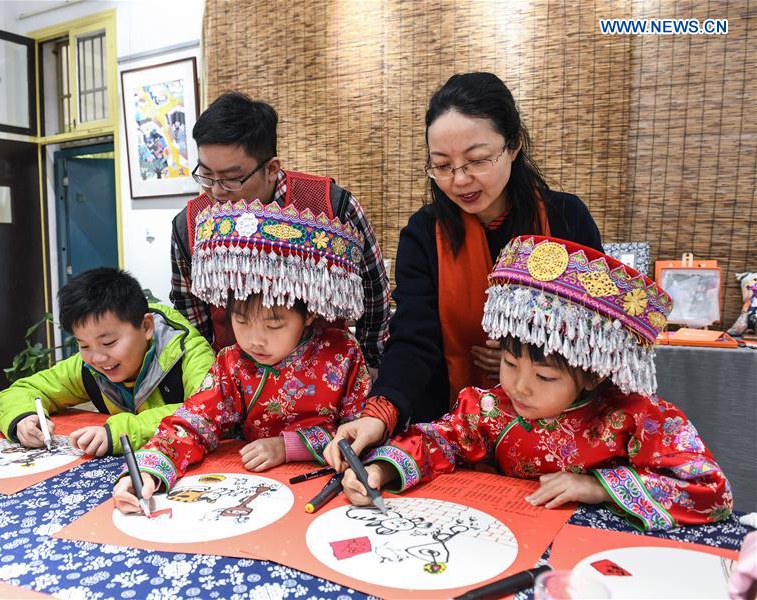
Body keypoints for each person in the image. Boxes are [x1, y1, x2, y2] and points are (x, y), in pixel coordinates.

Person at [327, 236, 733, 531]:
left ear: (592, 371)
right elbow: (439, 440)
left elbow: (711, 491)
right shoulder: (489, 408)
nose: (519, 387)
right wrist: (381, 469)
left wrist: (598, 488)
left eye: (544, 376)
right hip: (504, 536)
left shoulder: (635, 417)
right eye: (508, 362)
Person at [352, 72, 603, 440]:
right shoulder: (423, 234)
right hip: (450, 429)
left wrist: (524, 353)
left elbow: (598, 333)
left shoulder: (566, 220)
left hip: (558, 432)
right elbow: (413, 338)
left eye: (478, 160)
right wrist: (380, 412)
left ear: (514, 145)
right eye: (442, 165)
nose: (460, 179)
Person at [114, 200, 372, 510]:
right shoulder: (232, 362)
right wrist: (148, 471)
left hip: (332, 486)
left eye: (274, 324)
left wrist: (287, 447)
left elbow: (362, 430)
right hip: (252, 486)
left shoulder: (341, 353)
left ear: (309, 315)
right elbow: (194, 421)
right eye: (241, 321)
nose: (254, 339)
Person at [170, 91, 390, 372]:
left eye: (231, 179)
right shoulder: (190, 225)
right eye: (206, 175)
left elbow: (374, 293)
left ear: (271, 168)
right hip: (237, 387)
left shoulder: (330, 206)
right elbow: (191, 322)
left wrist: (370, 366)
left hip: (328, 383)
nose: (215, 191)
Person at [0, 268, 214, 456]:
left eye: (108, 342)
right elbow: (24, 390)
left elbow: (207, 411)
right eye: (84, 345)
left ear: (146, 327)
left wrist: (119, 432)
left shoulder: (187, 353)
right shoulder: (87, 367)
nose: (97, 358)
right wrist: (23, 418)